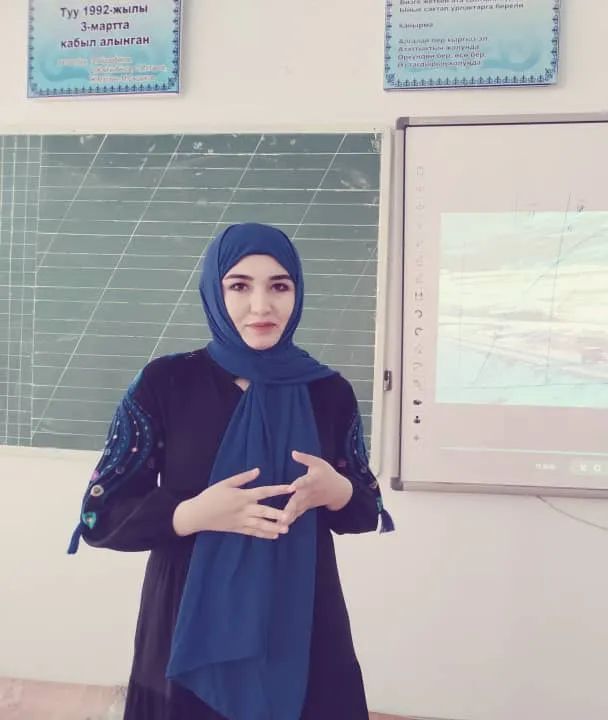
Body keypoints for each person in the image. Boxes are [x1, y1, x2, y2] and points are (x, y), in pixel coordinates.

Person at [66, 222, 393, 720]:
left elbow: (366, 510)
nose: (261, 306)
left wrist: (338, 490)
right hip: (188, 614)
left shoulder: (328, 392)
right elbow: (100, 514)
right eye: (239, 286)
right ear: (214, 292)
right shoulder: (165, 382)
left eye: (279, 286)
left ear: (297, 293)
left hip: (302, 614)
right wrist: (193, 514)